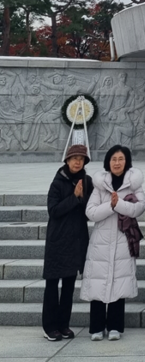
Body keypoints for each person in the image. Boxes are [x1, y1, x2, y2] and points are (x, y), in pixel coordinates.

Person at [80, 145, 145, 340]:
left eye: (121, 159)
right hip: (101, 241)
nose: (117, 163)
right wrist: (111, 205)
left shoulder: (133, 184)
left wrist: (119, 204)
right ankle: (96, 328)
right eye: (113, 159)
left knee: (119, 282)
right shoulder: (100, 185)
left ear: (127, 162)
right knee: (98, 282)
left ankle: (116, 327)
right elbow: (90, 212)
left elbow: (139, 208)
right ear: (108, 162)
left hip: (122, 239)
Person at [42, 144, 93, 341]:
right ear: (67, 160)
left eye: (81, 158)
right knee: (53, 286)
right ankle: (49, 327)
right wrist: (74, 198)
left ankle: (64, 324)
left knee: (69, 286)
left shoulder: (87, 181)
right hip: (58, 240)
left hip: (77, 240)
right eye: (74, 158)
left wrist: (82, 199)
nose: (77, 161)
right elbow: (53, 211)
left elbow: (89, 210)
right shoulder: (57, 182)